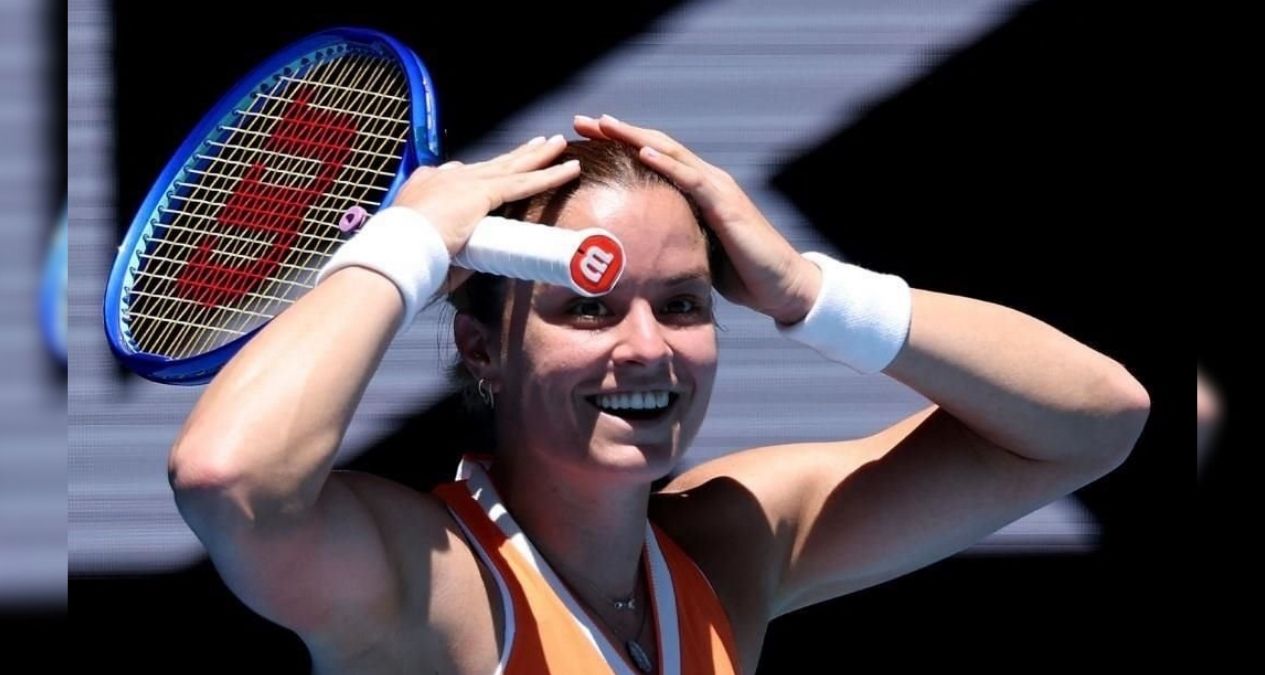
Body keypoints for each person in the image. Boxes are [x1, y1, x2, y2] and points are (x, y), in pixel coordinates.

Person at [168, 115, 1151, 674]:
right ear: (481, 349)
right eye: (589, 309)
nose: (647, 348)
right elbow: (227, 478)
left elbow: (1092, 421)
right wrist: (409, 243)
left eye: (681, 303)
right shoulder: (419, 583)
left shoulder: (728, 547)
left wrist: (808, 291)